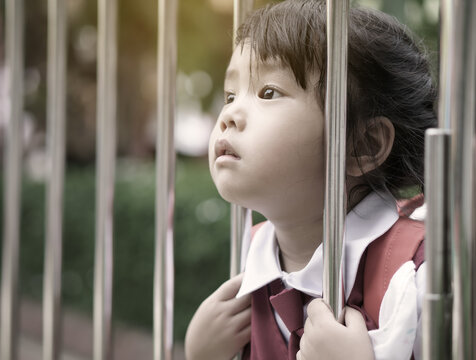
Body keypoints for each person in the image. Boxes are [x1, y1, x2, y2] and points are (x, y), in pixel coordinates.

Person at [184, 0, 437, 359]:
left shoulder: (415, 277)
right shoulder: (248, 259)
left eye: (268, 92)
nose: (228, 115)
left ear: (363, 145)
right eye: (230, 95)